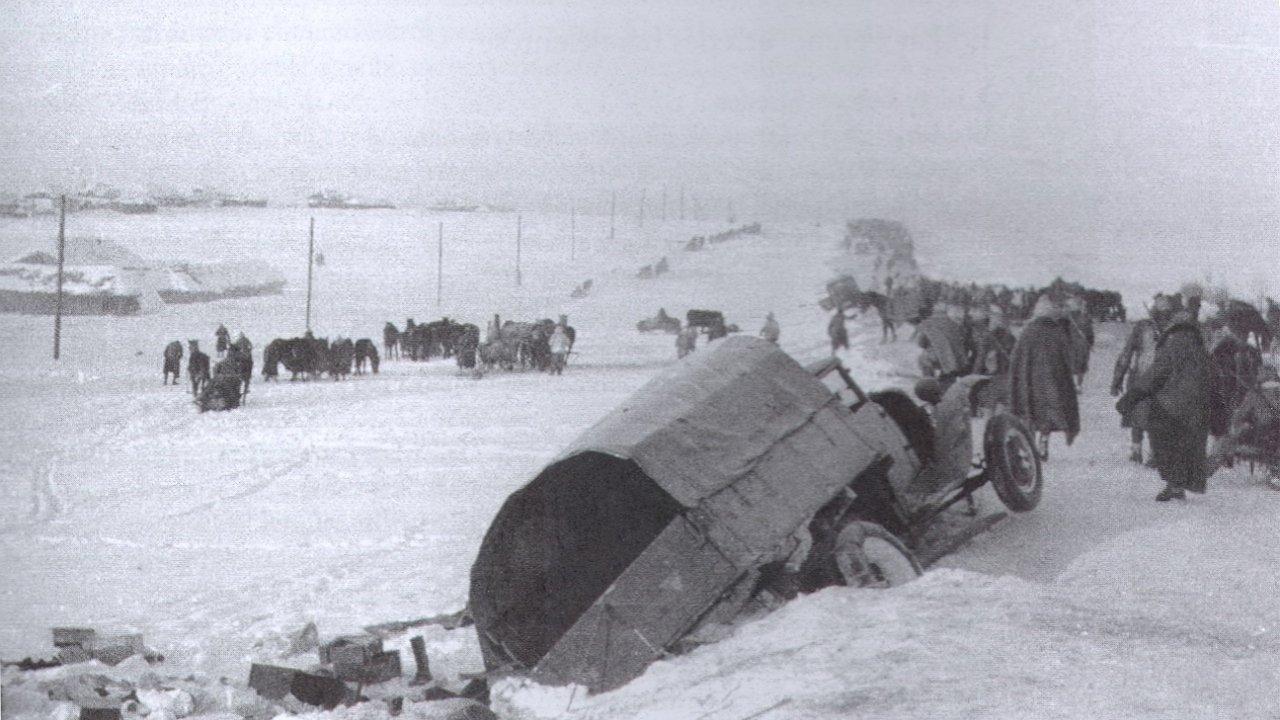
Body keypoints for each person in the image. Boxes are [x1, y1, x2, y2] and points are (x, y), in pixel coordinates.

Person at [1117, 308, 1211, 501]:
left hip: (1170, 406)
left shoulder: (1171, 346)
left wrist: (1132, 396)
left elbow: (1155, 375)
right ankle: (1180, 485)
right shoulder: (1202, 351)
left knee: (1165, 443)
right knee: (1189, 446)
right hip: (1198, 407)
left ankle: (1173, 485)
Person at [1007, 295, 1080, 459]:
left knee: (1029, 411)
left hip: (1029, 380)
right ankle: (1044, 442)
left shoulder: (1028, 331)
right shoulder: (1057, 331)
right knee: (1047, 412)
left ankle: (1030, 446)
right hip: (1052, 380)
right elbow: (1067, 355)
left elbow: (1017, 357)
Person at [1112, 296, 1166, 464]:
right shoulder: (1171, 328)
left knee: (1138, 412)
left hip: (1141, 378)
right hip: (1162, 378)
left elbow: (1126, 354)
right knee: (1157, 413)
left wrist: (1117, 379)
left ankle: (1137, 451)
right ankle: (1153, 453)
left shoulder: (1141, 327)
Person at [1219, 364, 1280, 489]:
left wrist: (1237, 427)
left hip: (1264, 433)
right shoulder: (1274, 391)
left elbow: (1240, 414)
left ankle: (1275, 473)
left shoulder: (1254, 394)